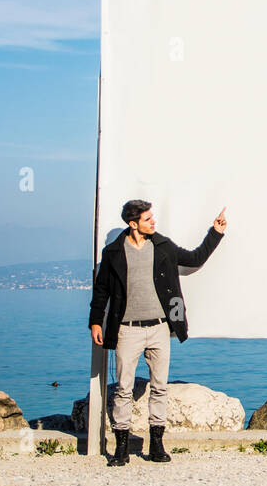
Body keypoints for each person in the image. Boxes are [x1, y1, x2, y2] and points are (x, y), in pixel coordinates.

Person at [88, 200, 226, 466]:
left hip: (160, 327)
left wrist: (215, 232)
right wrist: (96, 322)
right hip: (127, 331)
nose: (153, 222)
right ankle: (121, 450)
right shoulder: (114, 252)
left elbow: (195, 259)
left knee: (159, 388)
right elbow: (101, 289)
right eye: (148, 219)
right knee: (123, 389)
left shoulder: (162, 246)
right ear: (133, 224)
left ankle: (157, 446)